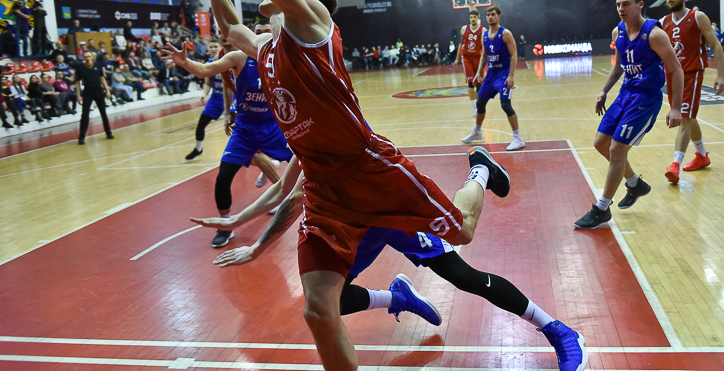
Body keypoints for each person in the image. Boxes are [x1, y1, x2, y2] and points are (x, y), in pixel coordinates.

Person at [150, 0, 570, 371]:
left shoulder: (313, 25)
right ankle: (395, 297)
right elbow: (230, 26)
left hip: (367, 170)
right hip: (327, 191)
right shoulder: (267, 50)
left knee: (463, 234)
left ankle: (480, 169)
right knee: (318, 309)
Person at [192, 159, 588, 371]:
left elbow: (293, 197)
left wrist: (255, 246)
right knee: (329, 303)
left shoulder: (330, 119)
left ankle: (559, 330)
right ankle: (397, 297)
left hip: (390, 211)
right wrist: (237, 222)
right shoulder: (301, 128)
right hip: (353, 226)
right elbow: (285, 190)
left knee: (463, 275)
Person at [162, 15, 293, 249]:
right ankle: (225, 225)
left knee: (308, 166)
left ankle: (321, 210)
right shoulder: (239, 57)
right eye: (258, 31)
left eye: (267, 30)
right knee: (223, 178)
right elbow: (205, 70)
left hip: (273, 127)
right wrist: (185, 62)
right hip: (244, 129)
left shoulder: (284, 58)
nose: (262, 35)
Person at [574, 0, 683, 229]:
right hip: (625, 94)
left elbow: (676, 69)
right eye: (618, 5)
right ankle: (635, 184)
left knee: (617, 149)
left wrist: (676, 107)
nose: (621, 9)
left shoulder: (654, 35)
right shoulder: (618, 32)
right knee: (600, 144)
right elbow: (618, 66)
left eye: (626, 4)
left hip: (645, 99)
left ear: (640, 4)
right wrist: (604, 90)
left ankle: (602, 208)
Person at [660, 0, 724, 183]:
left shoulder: (698, 17)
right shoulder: (663, 22)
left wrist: (720, 75)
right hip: (673, 75)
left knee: (684, 117)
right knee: (689, 116)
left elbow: (716, 45)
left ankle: (675, 165)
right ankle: (702, 156)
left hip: (692, 73)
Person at [461, 5, 525, 151]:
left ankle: (517, 137)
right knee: (480, 102)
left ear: (499, 16)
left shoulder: (505, 34)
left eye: (493, 14)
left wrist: (511, 75)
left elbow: (514, 54)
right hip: (491, 74)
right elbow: (484, 55)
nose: (490, 17)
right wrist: (478, 72)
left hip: (503, 73)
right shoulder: (484, 35)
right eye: (488, 15)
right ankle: (477, 131)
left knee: (505, 104)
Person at [184, 40, 226, 161]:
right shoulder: (209, 64)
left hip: (232, 98)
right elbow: (208, 83)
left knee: (237, 127)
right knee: (201, 125)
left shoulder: (229, 60)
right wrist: (204, 94)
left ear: (220, 47)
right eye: (211, 47)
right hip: (216, 99)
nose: (213, 49)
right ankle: (198, 149)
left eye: (215, 46)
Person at [74, 51, 113, 144]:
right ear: (83, 58)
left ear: (92, 57)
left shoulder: (98, 65)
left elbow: (102, 78)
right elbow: (77, 82)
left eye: (89, 56)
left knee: (103, 113)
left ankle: (108, 133)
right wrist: (78, 95)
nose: (87, 58)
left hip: (98, 91)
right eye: (85, 57)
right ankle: (81, 137)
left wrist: (107, 90)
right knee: (85, 115)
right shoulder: (80, 68)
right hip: (87, 92)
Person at [453, 8, 485, 117]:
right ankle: (474, 107)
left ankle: (478, 105)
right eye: (471, 17)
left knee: (479, 84)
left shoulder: (483, 30)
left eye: (474, 17)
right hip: (466, 57)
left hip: (478, 58)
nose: (472, 19)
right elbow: (461, 44)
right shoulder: (464, 29)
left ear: (478, 18)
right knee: (471, 83)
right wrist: (457, 59)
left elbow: (485, 47)